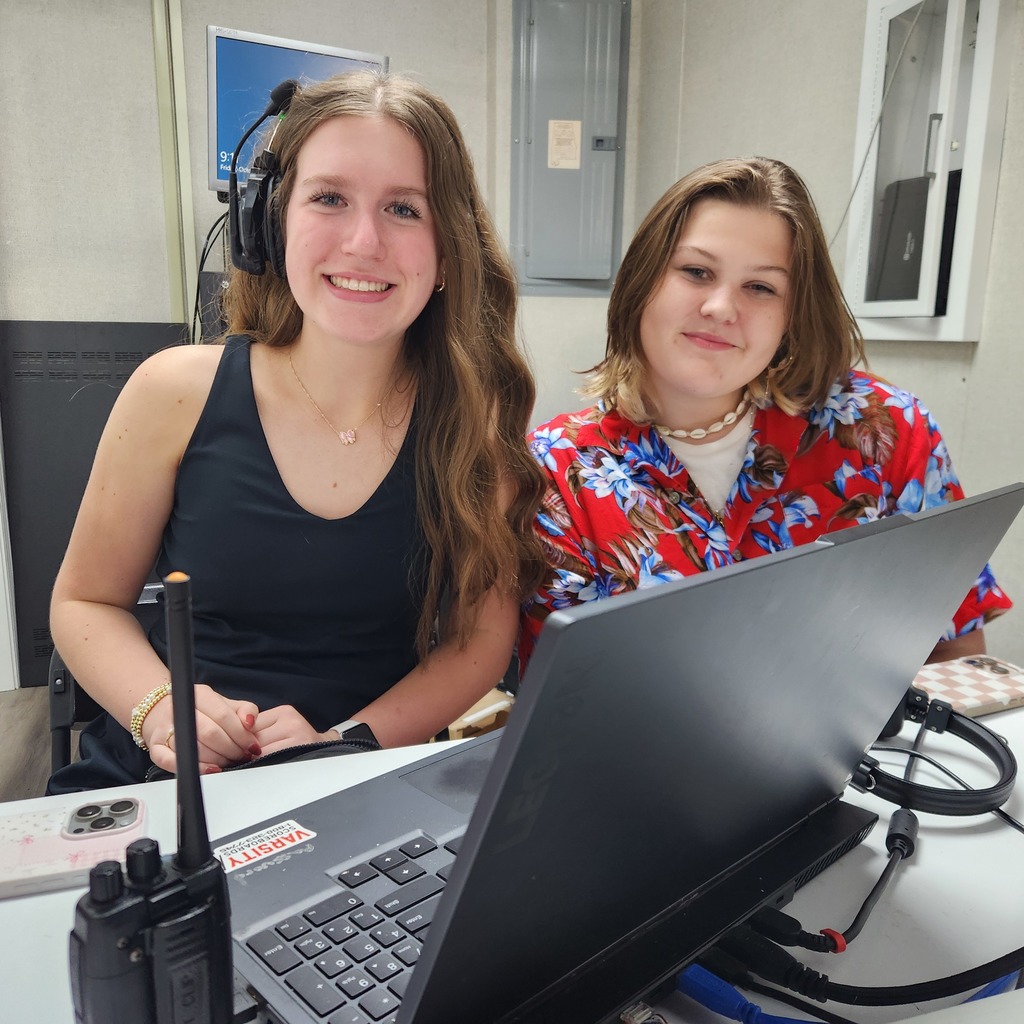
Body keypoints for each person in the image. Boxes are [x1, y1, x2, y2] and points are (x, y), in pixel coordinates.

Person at [48, 70, 545, 793]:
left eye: (405, 208)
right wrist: (161, 709)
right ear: (270, 224)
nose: (365, 240)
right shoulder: (172, 392)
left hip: (357, 780)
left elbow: (476, 642)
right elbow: (84, 601)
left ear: (448, 249)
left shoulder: (476, 427)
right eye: (330, 198)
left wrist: (344, 743)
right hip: (164, 781)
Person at [520, 156, 1011, 668]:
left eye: (761, 287)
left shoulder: (883, 429)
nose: (721, 307)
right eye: (695, 271)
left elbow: (955, 648)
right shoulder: (556, 473)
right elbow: (561, 701)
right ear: (642, 281)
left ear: (791, 315)